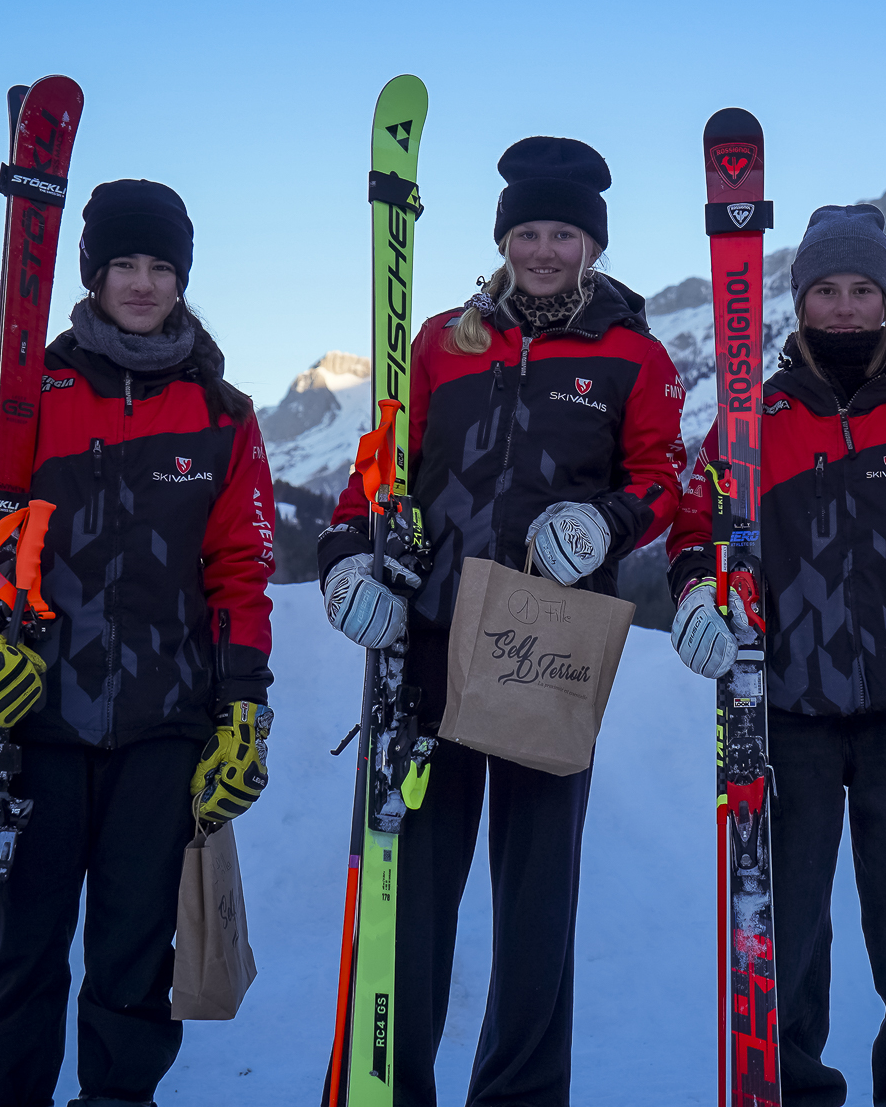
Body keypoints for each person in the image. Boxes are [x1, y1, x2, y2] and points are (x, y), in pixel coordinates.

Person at [319, 136, 686, 1105]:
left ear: (592, 243)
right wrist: (346, 559)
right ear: (504, 237)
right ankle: (393, 1085)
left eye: (564, 232)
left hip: (547, 644)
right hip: (432, 645)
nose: (545, 249)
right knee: (414, 900)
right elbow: (379, 472)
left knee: (534, 912)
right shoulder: (442, 340)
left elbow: (664, 480)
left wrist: (605, 519)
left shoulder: (633, 355)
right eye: (528, 230)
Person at [0, 179, 276, 1107]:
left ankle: (118, 1098)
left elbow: (240, 573)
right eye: (124, 265)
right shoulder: (25, 394)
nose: (142, 284)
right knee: (22, 948)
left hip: (164, 726)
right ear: (92, 274)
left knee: (135, 949)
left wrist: (244, 711)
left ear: (183, 279)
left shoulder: (222, 414)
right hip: (31, 720)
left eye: (161, 267)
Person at [665, 203, 886, 1107]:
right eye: (828, 290)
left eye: (863, 290)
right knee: (781, 941)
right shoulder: (750, 423)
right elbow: (696, 532)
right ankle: (791, 1093)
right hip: (783, 719)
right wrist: (697, 591)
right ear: (800, 301)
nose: (846, 307)